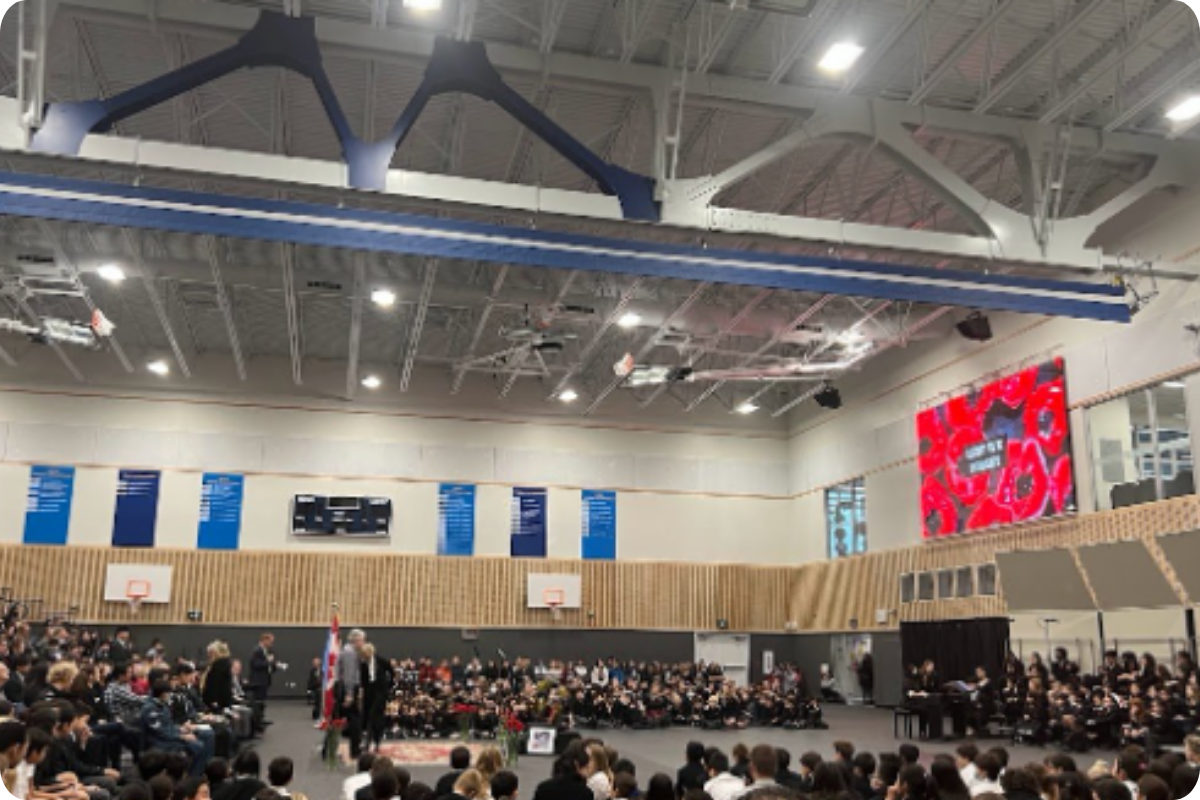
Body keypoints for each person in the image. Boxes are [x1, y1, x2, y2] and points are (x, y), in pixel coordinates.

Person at [360, 644, 393, 753]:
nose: (364, 657)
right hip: (369, 693)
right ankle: (368, 742)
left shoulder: (381, 661)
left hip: (380, 693)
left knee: (376, 717)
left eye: (366, 654)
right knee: (368, 717)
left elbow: (391, 671)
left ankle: (376, 742)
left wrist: (388, 685)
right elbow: (363, 680)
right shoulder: (363, 664)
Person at [339, 631, 366, 759]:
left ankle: (328, 749)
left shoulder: (350, 651)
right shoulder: (349, 653)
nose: (363, 643)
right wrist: (349, 694)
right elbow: (349, 676)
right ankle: (355, 751)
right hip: (349, 689)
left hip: (348, 688)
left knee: (348, 719)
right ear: (355, 640)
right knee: (355, 720)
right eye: (362, 640)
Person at [247, 634, 281, 734]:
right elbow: (255, 664)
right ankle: (257, 723)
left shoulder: (266, 651)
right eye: (270, 641)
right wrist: (268, 661)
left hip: (265, 679)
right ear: (264, 640)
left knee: (262, 702)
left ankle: (260, 720)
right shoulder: (256, 650)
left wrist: (275, 665)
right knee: (258, 702)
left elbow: (267, 665)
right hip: (258, 681)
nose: (271, 644)